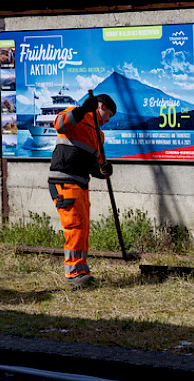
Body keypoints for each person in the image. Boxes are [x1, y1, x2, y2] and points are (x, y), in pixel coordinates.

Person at [48, 93, 116, 288]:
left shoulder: (98, 135)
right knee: (75, 227)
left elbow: (94, 166)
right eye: (108, 114)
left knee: (83, 228)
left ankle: (81, 271)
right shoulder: (76, 115)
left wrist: (103, 171)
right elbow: (59, 124)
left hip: (80, 184)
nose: (108, 120)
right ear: (100, 106)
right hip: (64, 181)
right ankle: (73, 273)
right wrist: (82, 111)